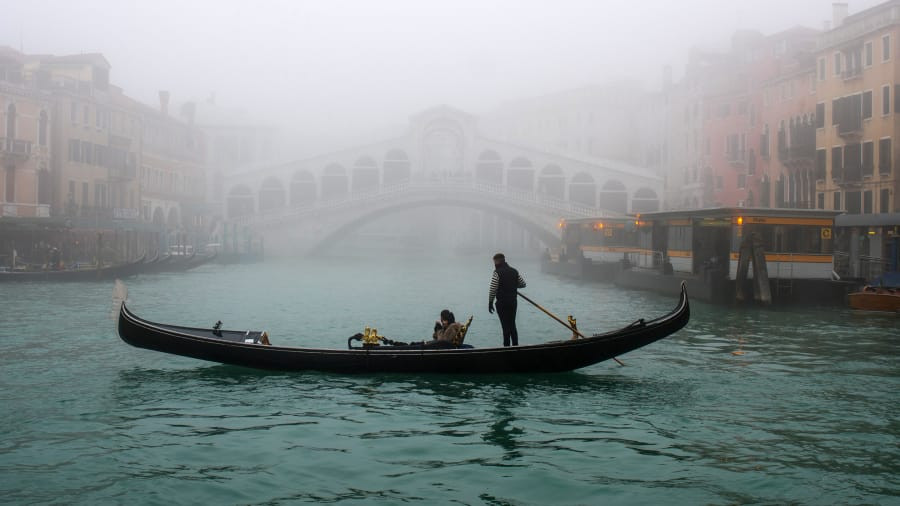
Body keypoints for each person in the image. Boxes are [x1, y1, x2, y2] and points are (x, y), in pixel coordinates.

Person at [488, 253, 526, 347]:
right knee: (512, 325)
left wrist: (490, 303)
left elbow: (493, 289)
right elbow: (523, 284)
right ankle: (516, 346)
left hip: (502, 303)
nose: (494, 264)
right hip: (513, 302)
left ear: (497, 261)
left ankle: (506, 348)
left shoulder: (497, 272)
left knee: (505, 326)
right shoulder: (514, 271)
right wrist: (512, 285)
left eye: (494, 262)